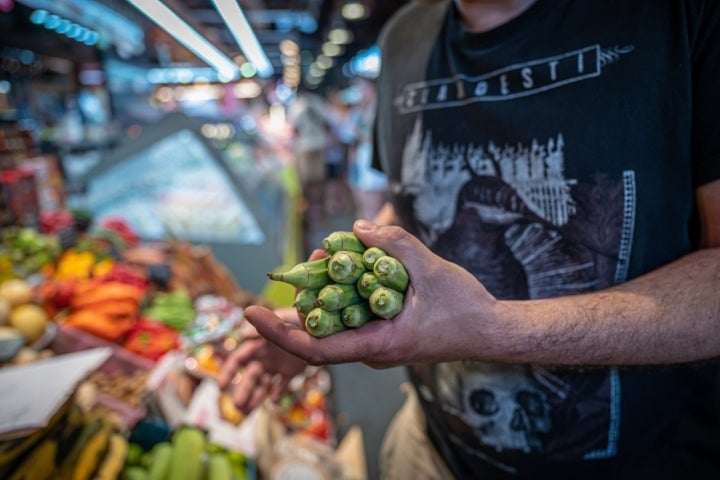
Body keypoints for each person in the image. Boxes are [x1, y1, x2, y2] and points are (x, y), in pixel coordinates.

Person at [220, 1, 720, 478]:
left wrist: (492, 329)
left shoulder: (681, 16)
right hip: (433, 448)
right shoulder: (404, 38)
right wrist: (327, 321)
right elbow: (410, 207)